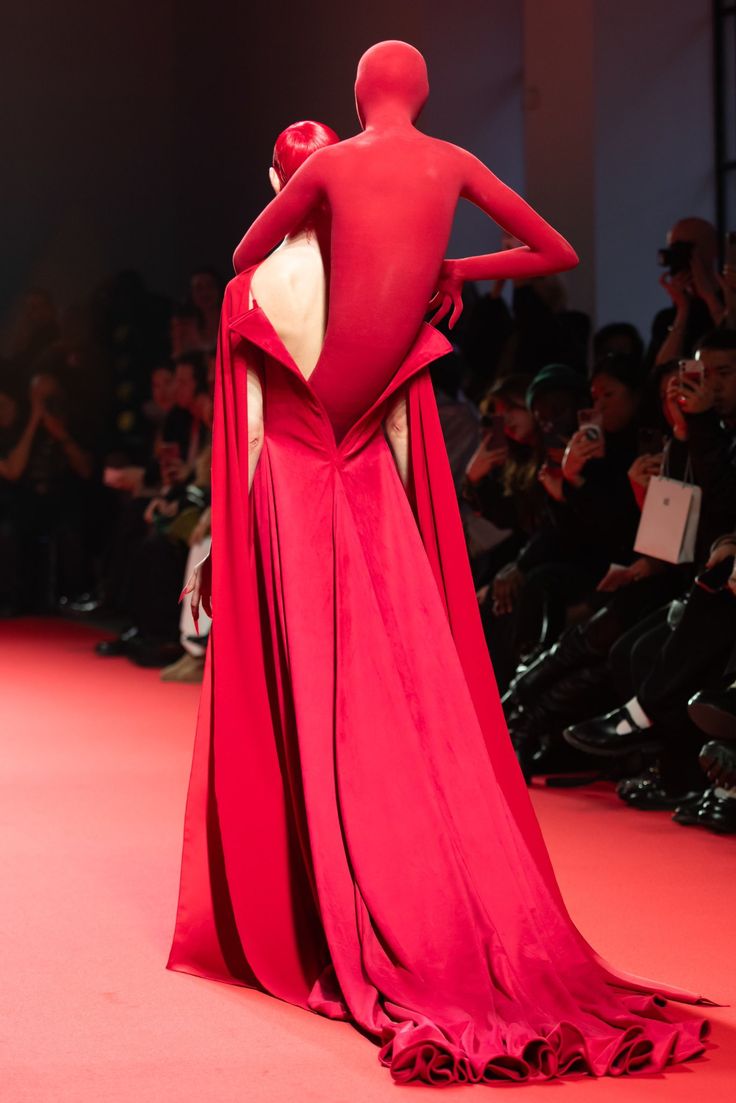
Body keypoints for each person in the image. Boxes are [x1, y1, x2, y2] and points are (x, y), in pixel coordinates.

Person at [167, 42, 712, 1087]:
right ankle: (401, 876)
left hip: (298, 460)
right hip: (372, 462)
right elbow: (548, 250)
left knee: (316, 681)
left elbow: (243, 275)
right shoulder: (448, 173)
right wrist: (452, 269)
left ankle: (322, 891)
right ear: (418, 95)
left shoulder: (303, 216)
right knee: (400, 689)